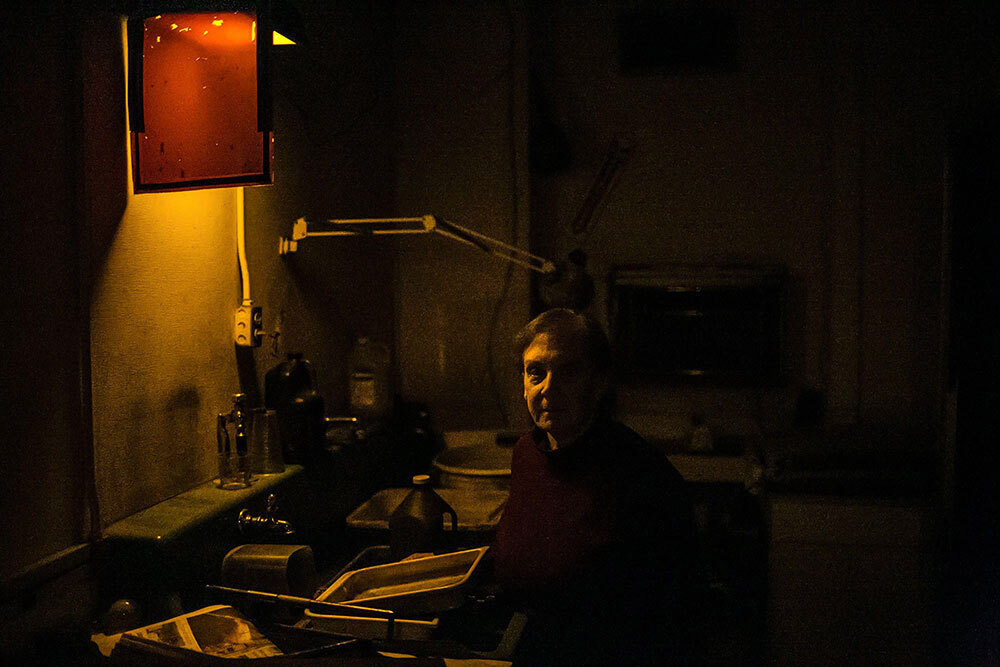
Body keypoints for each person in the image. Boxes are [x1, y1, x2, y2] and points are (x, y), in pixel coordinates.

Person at [491, 308, 701, 666]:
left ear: (600, 382)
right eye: (535, 372)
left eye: (569, 372)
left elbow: (675, 615)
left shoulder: (643, 474)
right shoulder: (527, 452)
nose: (548, 389)